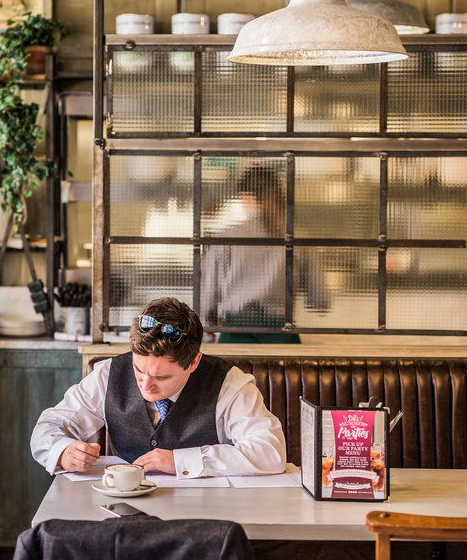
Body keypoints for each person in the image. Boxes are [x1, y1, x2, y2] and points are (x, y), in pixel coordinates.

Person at [30, 297, 287, 478]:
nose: (146, 385)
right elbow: (47, 428)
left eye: (161, 378)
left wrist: (181, 461)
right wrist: (62, 452)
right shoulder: (108, 375)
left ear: (193, 362)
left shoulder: (229, 385)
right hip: (124, 510)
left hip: (207, 513)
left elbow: (270, 451)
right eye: (139, 370)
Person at [201, 164, 302, 344]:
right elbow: (321, 300)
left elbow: (208, 298)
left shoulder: (225, 238)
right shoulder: (297, 238)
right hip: (283, 340)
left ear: (245, 196)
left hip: (235, 337)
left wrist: (207, 324)